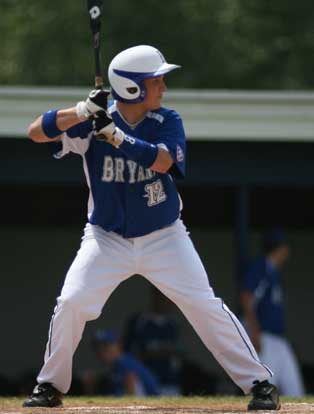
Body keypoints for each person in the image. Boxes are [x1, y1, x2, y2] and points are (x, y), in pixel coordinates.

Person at [23, 45, 279, 410]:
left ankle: (260, 383)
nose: (163, 87)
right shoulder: (93, 121)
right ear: (132, 89)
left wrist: (116, 136)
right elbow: (35, 132)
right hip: (106, 238)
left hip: (164, 236)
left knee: (204, 305)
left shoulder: (167, 120)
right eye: (156, 81)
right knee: (72, 303)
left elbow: (163, 162)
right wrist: (80, 112)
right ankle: (49, 385)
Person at [240, 228, 305, 396]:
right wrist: (254, 333)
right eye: (285, 246)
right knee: (266, 393)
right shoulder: (261, 266)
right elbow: (246, 297)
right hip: (264, 338)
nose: (287, 251)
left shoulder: (274, 271)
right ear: (279, 248)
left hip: (278, 340)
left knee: (295, 391)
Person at [123, 286, 183, 395]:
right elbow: (127, 351)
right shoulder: (139, 321)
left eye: (169, 297)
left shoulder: (174, 324)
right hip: (145, 380)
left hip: (170, 381)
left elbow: (179, 352)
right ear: (154, 296)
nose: (166, 300)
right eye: (162, 296)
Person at [84, 330, 160, 396]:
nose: (101, 351)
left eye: (106, 346)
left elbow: (135, 394)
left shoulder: (125, 363)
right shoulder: (115, 365)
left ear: (119, 345)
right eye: (97, 347)